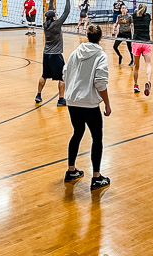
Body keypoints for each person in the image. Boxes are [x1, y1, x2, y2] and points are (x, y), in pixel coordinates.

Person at [63, 24, 111, 191]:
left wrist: (71, 92)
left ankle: (71, 171)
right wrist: (107, 103)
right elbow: (100, 83)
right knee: (97, 138)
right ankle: (96, 178)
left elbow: (65, 72)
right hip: (89, 104)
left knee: (77, 133)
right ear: (100, 38)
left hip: (73, 102)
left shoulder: (75, 52)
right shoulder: (101, 55)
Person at [35, 0, 71, 106]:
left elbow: (50, 12)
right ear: (54, 17)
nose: (56, 14)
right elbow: (66, 12)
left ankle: (38, 95)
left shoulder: (46, 24)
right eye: (55, 14)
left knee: (44, 75)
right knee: (62, 77)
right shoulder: (57, 24)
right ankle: (61, 99)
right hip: (56, 56)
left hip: (46, 54)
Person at [132, 4, 152, 96]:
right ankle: (148, 81)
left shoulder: (134, 16)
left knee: (136, 66)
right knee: (148, 64)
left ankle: (136, 85)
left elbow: (136, 13)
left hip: (136, 43)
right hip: (146, 42)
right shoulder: (148, 16)